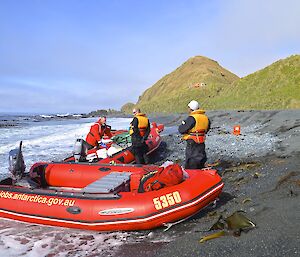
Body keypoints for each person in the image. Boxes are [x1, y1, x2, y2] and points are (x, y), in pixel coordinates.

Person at [178, 100, 210, 169]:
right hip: (201, 140)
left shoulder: (192, 118)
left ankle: (191, 172)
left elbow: (182, 130)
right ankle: (201, 169)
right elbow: (207, 128)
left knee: (191, 158)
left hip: (192, 141)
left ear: (190, 108)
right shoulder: (205, 118)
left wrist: (183, 125)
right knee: (201, 155)